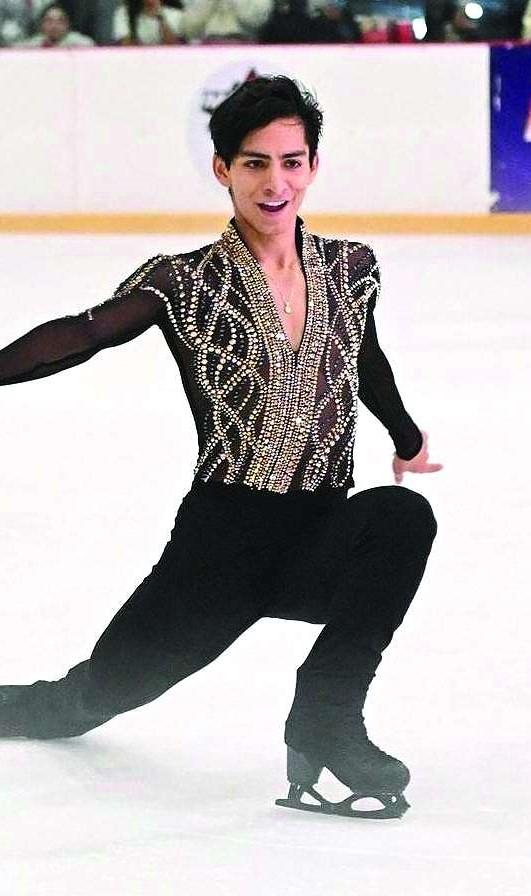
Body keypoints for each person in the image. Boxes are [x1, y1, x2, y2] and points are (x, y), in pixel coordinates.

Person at [0, 76, 441, 819]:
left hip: (317, 534)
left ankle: (326, 716)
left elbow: (363, 357)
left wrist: (404, 435)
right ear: (222, 169)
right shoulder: (184, 281)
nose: (275, 183)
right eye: (254, 163)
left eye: (291, 162)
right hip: (220, 550)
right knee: (84, 699)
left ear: (312, 165)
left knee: (402, 517)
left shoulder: (351, 267)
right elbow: (83, 334)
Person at [16, 2, 94, 47]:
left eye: (60, 21)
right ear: (41, 25)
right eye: (49, 21)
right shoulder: (33, 45)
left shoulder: (81, 44)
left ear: (67, 24)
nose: (54, 26)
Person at [113, 0, 184, 45]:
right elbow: (126, 47)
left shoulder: (176, 14)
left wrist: (161, 18)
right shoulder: (123, 13)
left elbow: (175, 48)